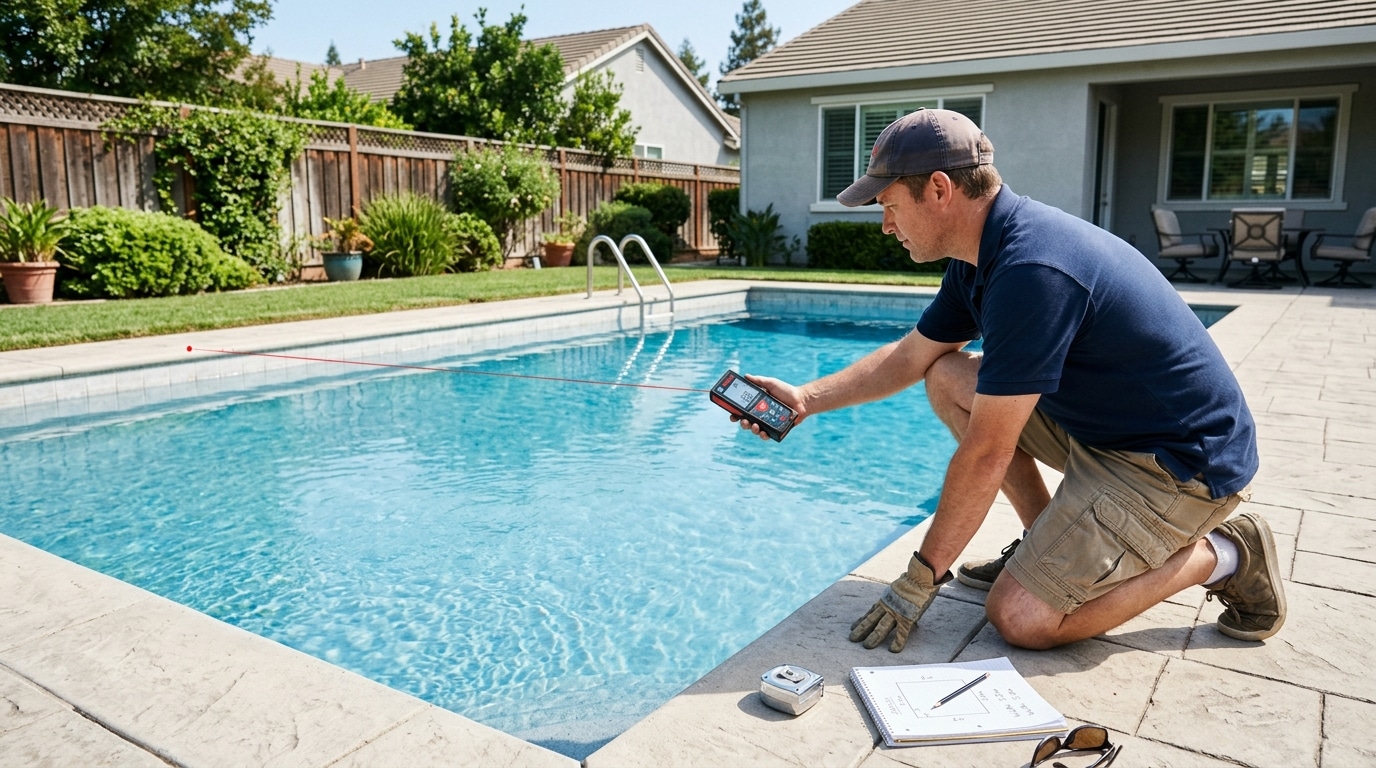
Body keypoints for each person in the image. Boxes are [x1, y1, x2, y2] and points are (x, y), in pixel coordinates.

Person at [732, 109, 1284, 652]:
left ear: (940, 189)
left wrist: (920, 578)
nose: (886, 225)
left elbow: (987, 452)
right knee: (947, 374)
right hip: (1107, 431)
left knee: (1022, 617)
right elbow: (910, 358)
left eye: (890, 206)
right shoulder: (979, 255)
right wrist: (805, 399)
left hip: (1178, 466)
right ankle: (1043, 539)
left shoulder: (1031, 270)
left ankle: (1227, 553)